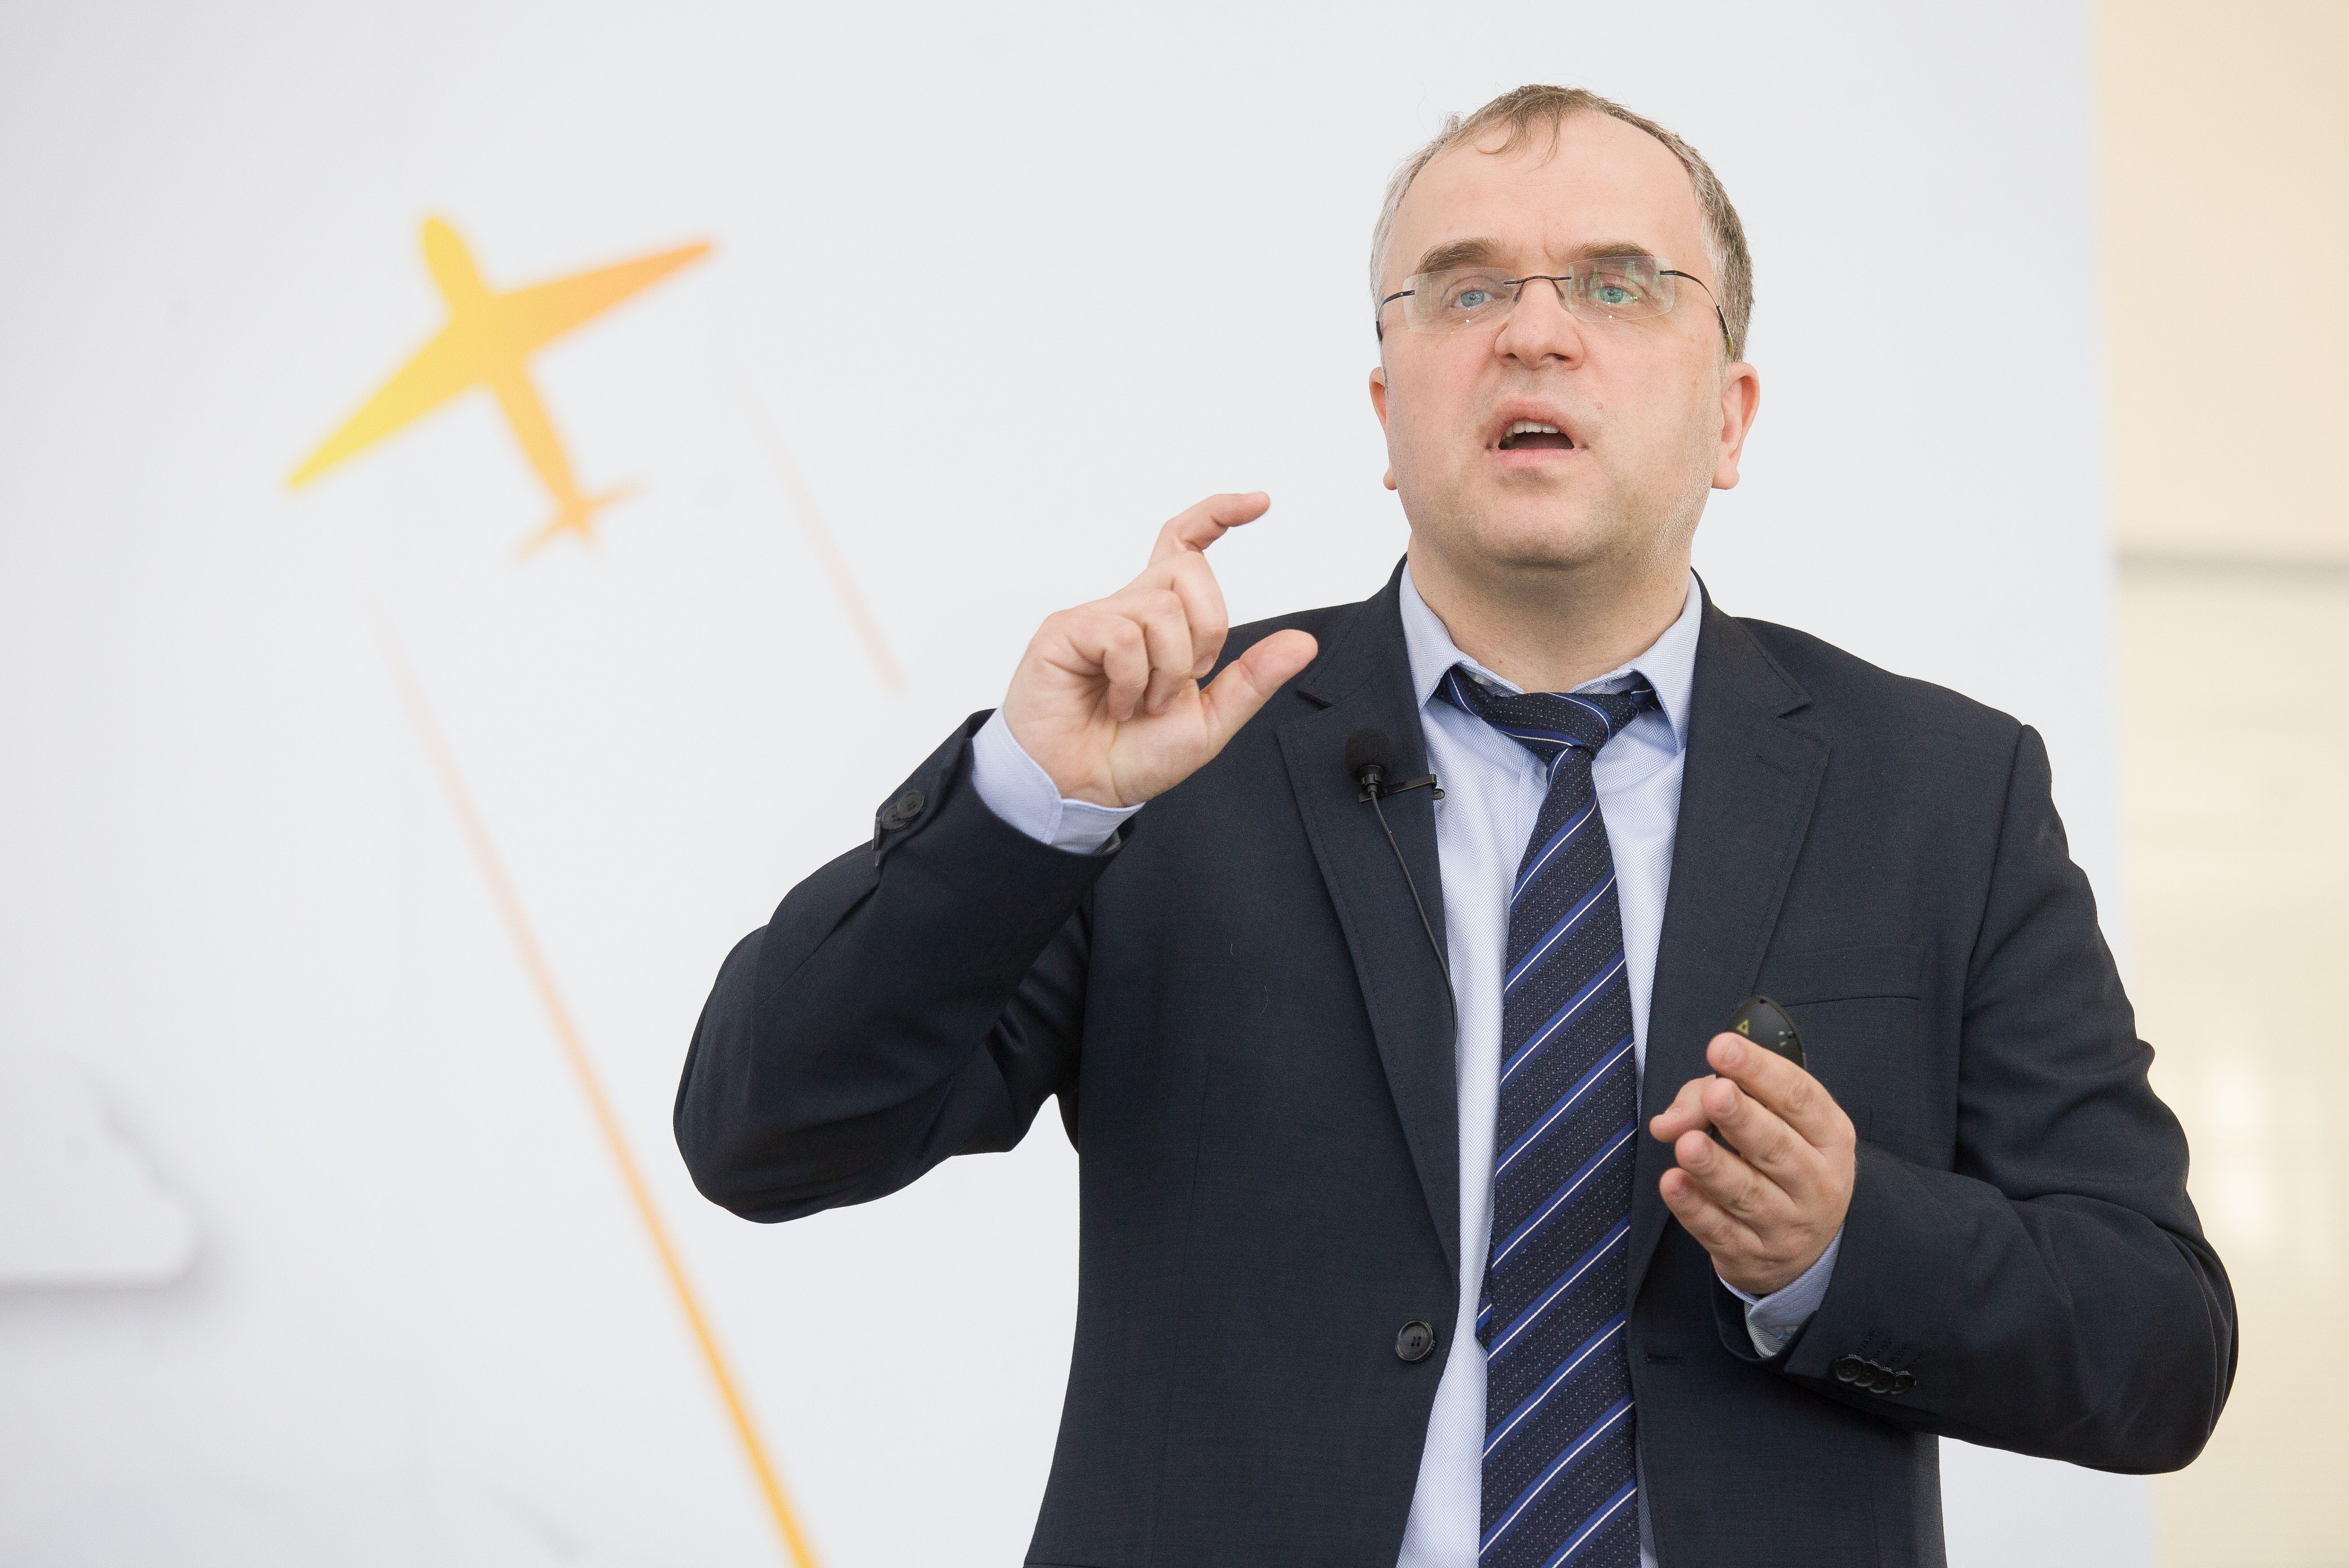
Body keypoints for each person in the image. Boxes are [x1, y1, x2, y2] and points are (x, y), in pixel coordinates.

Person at [676, 84, 2237, 1568]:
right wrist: (1033, 802)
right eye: (1467, 289)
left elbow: (2160, 1345)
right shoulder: (1174, 753)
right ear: (1387, 409)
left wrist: (1841, 1242)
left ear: (1732, 414)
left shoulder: (1942, 792)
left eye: (1618, 285)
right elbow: (763, 1129)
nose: (1535, 332)